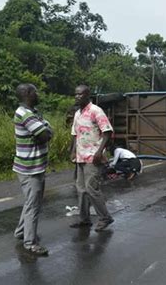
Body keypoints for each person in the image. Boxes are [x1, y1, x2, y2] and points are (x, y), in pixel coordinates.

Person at [13, 83, 53, 256]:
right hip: (30, 169)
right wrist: (46, 129)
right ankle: (30, 243)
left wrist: (46, 129)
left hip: (35, 166)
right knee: (33, 206)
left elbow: (46, 131)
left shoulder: (33, 113)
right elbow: (46, 134)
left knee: (31, 202)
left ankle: (21, 232)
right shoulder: (25, 114)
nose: (38, 94)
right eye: (35, 92)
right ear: (28, 93)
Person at [70, 85, 115, 232]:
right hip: (80, 156)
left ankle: (105, 217)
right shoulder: (78, 113)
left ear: (88, 95)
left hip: (93, 157)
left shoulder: (96, 111)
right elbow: (75, 134)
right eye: (76, 94)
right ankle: (84, 219)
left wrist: (99, 152)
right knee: (81, 189)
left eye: (80, 94)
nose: (77, 97)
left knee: (92, 189)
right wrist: (72, 151)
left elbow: (107, 132)